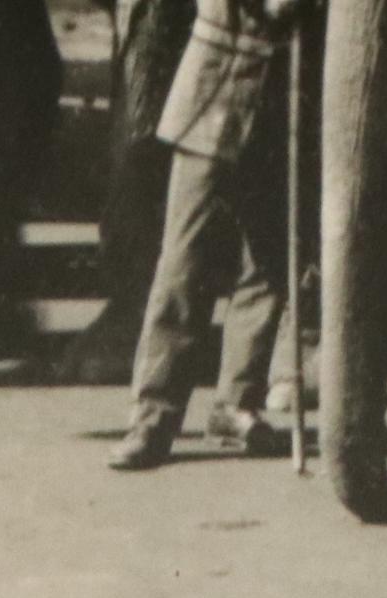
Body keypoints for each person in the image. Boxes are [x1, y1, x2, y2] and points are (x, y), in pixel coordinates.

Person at [106, 0, 308, 469]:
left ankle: (237, 402)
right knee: (185, 258)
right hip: (216, 87)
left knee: (269, 262)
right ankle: (153, 415)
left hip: (285, 95)